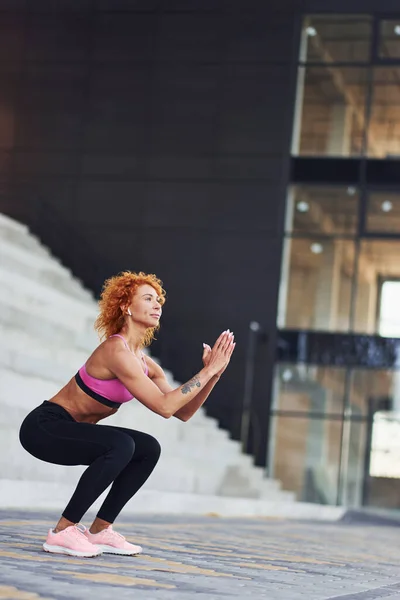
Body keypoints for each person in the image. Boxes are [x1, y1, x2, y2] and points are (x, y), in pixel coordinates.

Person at [19, 271, 235, 558]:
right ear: (126, 307)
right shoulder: (115, 350)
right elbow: (164, 406)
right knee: (121, 445)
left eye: (158, 300)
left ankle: (99, 531)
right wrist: (206, 370)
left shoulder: (146, 364)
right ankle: (62, 531)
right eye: (148, 299)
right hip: (43, 428)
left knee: (147, 448)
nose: (157, 305)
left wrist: (214, 375)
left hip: (74, 433)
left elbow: (182, 412)